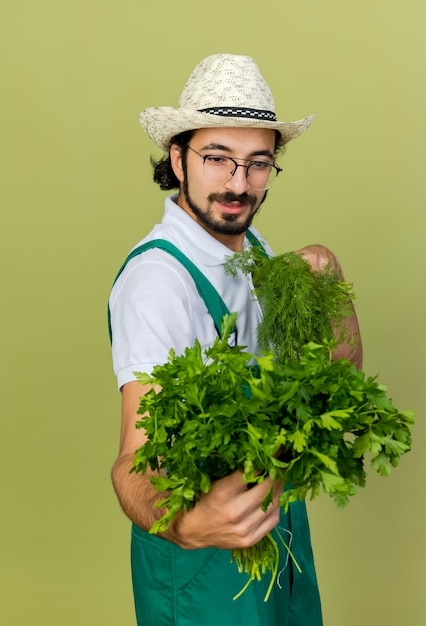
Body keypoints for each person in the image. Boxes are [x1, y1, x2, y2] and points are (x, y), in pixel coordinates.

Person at [108, 53, 362, 626]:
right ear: (177, 158)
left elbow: (337, 390)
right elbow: (133, 460)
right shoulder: (158, 284)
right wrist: (187, 523)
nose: (238, 184)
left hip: (276, 538)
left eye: (258, 164)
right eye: (217, 159)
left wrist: (332, 288)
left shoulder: (257, 252)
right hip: (203, 569)